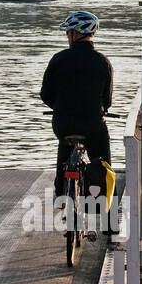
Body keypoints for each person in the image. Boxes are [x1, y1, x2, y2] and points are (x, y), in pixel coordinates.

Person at [40, 10, 113, 199]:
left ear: (74, 34)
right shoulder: (102, 62)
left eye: (67, 32)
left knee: (65, 142)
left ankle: (60, 191)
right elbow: (107, 100)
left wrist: (60, 107)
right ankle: (102, 202)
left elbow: (45, 94)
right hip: (92, 124)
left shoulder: (58, 59)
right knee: (101, 158)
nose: (67, 36)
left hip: (62, 123)